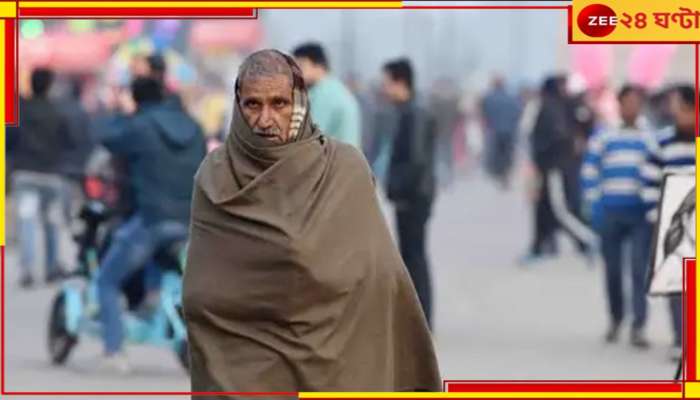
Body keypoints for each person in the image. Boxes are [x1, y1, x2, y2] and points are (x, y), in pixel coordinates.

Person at [182, 50, 440, 395]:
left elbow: (379, 276)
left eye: (279, 103)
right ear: (238, 106)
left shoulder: (344, 170)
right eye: (253, 105)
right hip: (238, 366)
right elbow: (202, 290)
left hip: (333, 362)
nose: (265, 118)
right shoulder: (216, 177)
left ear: (300, 103)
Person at [96, 76, 206, 372]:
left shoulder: (140, 126)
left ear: (137, 99)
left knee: (106, 280)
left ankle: (114, 351)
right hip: (190, 222)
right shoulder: (193, 127)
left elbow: (107, 138)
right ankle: (152, 296)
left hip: (152, 219)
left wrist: (120, 111)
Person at [581, 85, 653, 348]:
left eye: (636, 102)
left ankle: (639, 325)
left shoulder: (650, 137)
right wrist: (592, 202)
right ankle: (616, 318)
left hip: (640, 214)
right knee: (612, 271)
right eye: (627, 102)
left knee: (638, 270)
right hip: (610, 212)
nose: (632, 107)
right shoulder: (604, 135)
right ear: (620, 105)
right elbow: (590, 168)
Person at [641, 84, 697, 360]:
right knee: (677, 284)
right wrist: (656, 216)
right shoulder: (662, 140)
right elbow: (649, 178)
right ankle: (681, 340)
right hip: (673, 219)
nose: (672, 111)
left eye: (678, 105)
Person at [382, 58, 437, 328]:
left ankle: (422, 319)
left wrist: (398, 189)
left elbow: (415, 160)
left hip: (413, 197)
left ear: (400, 82)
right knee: (413, 255)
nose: (385, 89)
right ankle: (419, 317)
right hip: (416, 194)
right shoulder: (411, 111)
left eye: (387, 83)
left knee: (414, 257)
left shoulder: (414, 114)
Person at [522, 75, 598, 266]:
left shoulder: (555, 106)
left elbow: (551, 137)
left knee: (560, 210)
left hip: (555, 166)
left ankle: (587, 240)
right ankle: (538, 247)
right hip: (554, 165)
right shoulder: (554, 106)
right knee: (543, 209)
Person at [7, 68, 72, 288]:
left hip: (25, 174)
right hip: (52, 176)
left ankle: (27, 269)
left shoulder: (21, 112)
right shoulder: (58, 112)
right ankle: (52, 267)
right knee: (51, 223)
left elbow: (8, 140)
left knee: (27, 222)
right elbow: (69, 141)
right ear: (50, 85)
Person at [292, 42, 362, 149]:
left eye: (301, 66)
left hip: (335, 161)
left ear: (318, 66)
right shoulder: (335, 88)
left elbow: (308, 138)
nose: (296, 72)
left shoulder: (324, 94)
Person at [481, 75, 522, 188]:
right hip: (510, 130)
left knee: (497, 154)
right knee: (507, 154)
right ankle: (506, 174)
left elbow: (485, 113)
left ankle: (500, 174)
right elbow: (518, 112)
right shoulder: (512, 98)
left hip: (495, 130)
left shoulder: (489, 98)